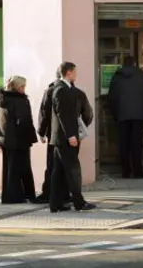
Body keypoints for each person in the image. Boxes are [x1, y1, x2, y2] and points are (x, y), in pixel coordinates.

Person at [49, 62, 96, 213]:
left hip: (60, 137)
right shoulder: (62, 90)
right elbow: (64, 115)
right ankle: (79, 202)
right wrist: (71, 135)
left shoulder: (63, 89)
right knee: (72, 169)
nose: (76, 75)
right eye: (74, 72)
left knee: (58, 171)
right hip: (65, 137)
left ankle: (55, 204)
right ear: (68, 73)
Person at [107, 56, 143, 178]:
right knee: (137, 144)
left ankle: (125, 171)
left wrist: (116, 113)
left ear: (123, 64)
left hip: (122, 115)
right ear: (135, 64)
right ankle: (138, 171)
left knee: (124, 143)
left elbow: (111, 97)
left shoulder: (117, 77)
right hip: (139, 115)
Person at [0, 76, 38, 204]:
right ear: (18, 87)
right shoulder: (21, 100)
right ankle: (27, 194)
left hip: (6, 140)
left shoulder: (2, 99)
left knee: (9, 169)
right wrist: (30, 137)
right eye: (23, 86)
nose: (24, 89)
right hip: (20, 140)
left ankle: (10, 196)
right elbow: (24, 121)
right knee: (24, 168)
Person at [33, 70, 69, 204]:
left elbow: (43, 113)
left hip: (53, 134)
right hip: (66, 135)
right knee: (64, 165)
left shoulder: (50, 91)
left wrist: (41, 132)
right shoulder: (69, 90)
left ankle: (49, 193)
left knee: (52, 165)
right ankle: (64, 194)